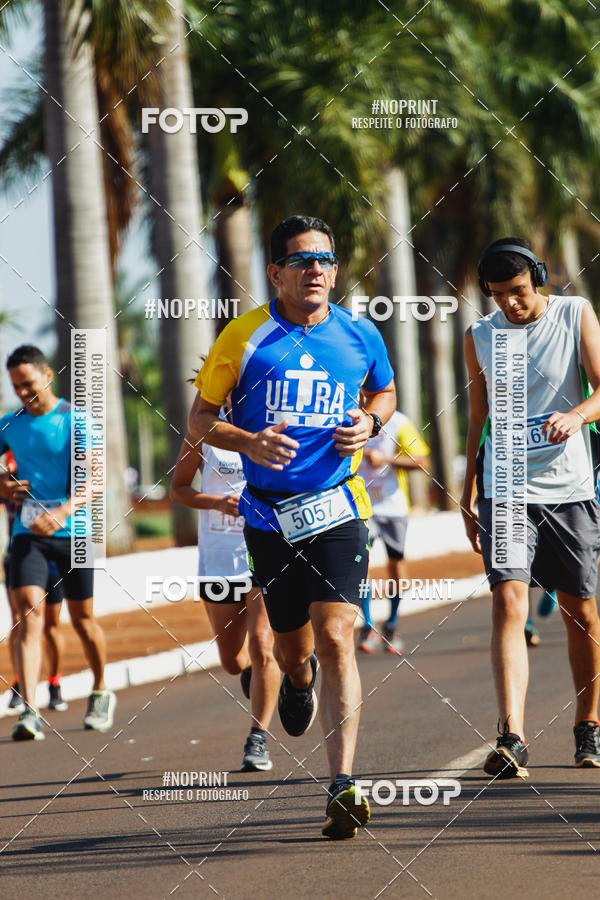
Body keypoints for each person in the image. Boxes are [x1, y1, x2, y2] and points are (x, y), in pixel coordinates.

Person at [187, 215, 396, 839]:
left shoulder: (360, 335)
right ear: (275, 271)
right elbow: (199, 419)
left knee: (336, 637)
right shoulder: (245, 337)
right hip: (268, 514)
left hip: (338, 505)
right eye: (303, 261)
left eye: (326, 260)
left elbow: (382, 393)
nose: (316, 271)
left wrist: (370, 423)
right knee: (291, 647)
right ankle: (295, 682)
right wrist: (249, 439)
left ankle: (342, 784)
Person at [461, 238, 600, 777]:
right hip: (506, 489)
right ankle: (511, 735)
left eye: (518, 291)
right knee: (507, 602)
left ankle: (587, 725)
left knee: (580, 611)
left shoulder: (574, 313)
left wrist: (579, 414)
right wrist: (468, 493)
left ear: (536, 278)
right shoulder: (480, 336)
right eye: (498, 296)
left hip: (569, 490)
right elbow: (478, 418)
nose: (510, 304)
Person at [0, 345, 116, 740]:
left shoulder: (76, 420)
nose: (23, 393)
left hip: (75, 533)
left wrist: (64, 511)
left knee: (83, 621)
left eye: (28, 383)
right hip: (28, 534)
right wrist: (3, 484)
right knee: (27, 618)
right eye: (16, 386)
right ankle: (29, 710)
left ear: (47, 375)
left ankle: (101, 690)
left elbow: (97, 479)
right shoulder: (9, 425)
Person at [170, 403, 280, 771]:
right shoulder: (203, 432)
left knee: (263, 643)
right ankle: (263, 669)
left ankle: (258, 739)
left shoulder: (276, 426)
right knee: (234, 662)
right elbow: (179, 490)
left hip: (264, 549)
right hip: (219, 561)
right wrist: (219, 501)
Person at [357, 410, 430, 654]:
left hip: (392, 505)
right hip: (361, 505)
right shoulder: (347, 415)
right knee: (360, 565)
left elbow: (422, 460)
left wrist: (386, 459)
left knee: (396, 565)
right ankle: (367, 625)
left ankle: (392, 623)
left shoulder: (399, 421)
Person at [2, 458, 68, 713]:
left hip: (55, 554)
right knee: (20, 620)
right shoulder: (12, 483)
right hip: (19, 555)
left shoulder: (53, 473)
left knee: (50, 626)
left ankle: (54, 682)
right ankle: (20, 682)